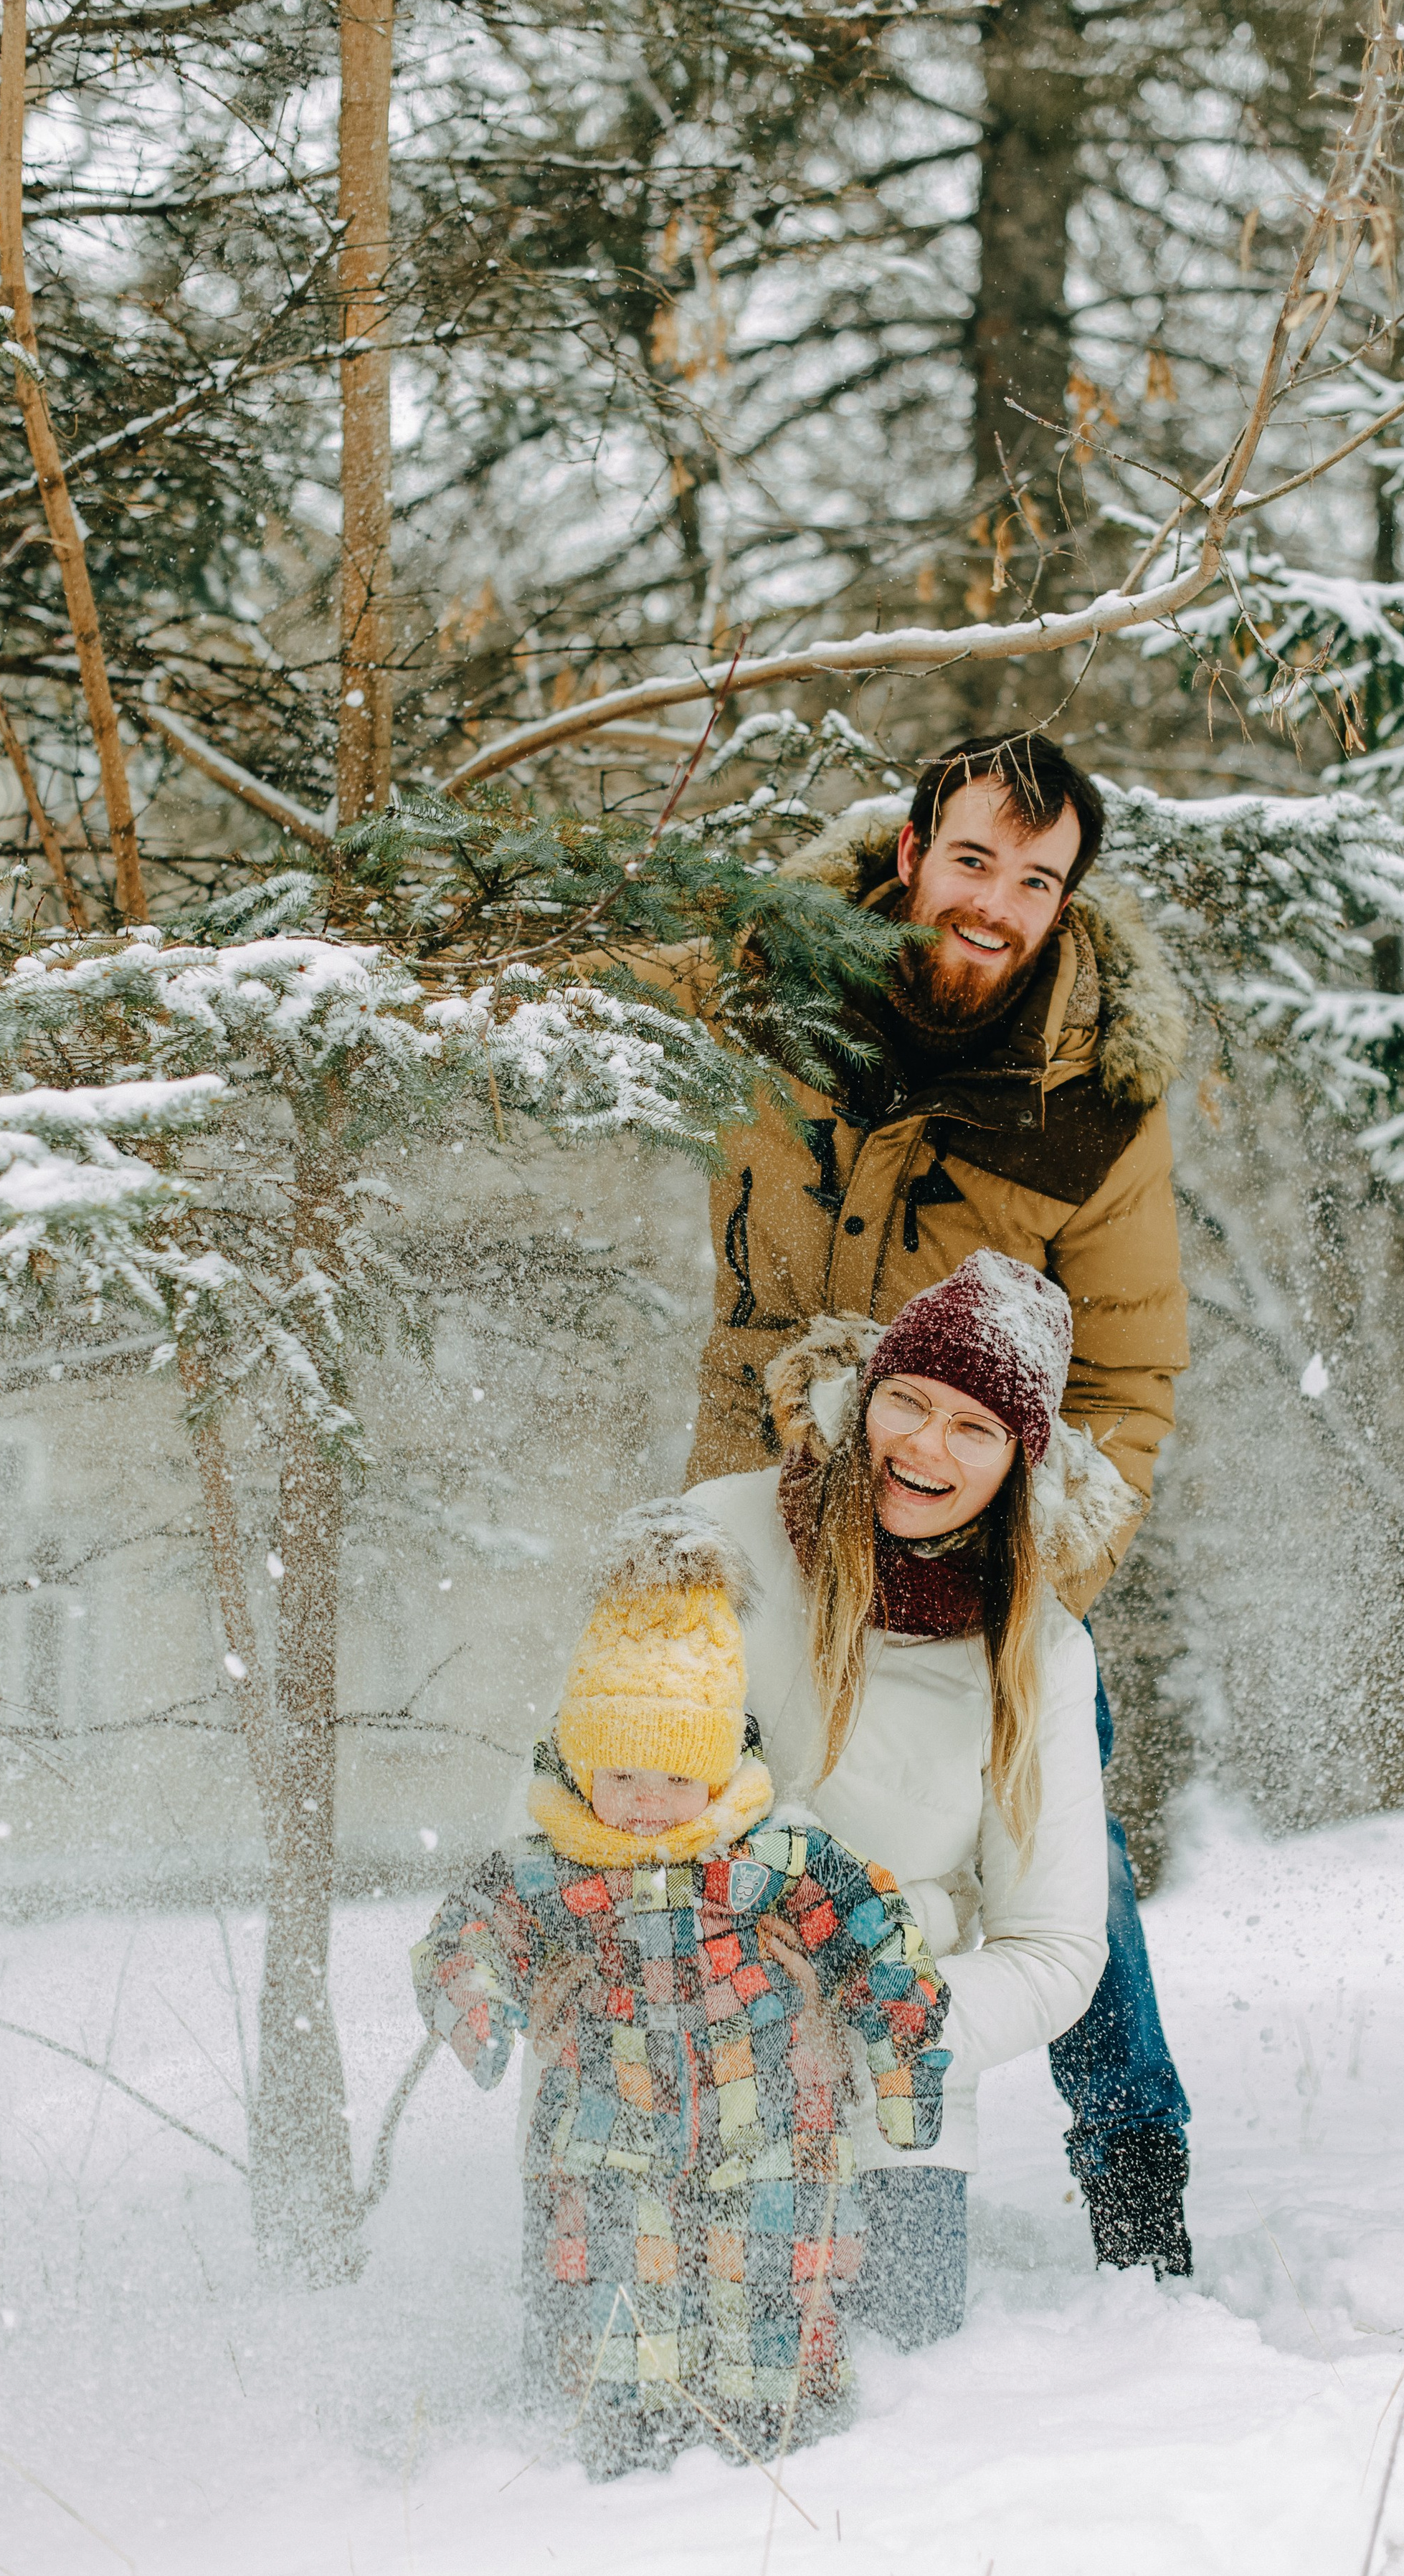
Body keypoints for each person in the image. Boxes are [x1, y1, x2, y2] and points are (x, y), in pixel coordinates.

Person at [686, 731, 1196, 2274]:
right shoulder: (769, 992)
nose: (996, 903)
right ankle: (724, 2191)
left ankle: (1138, 2187)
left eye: (1036, 881)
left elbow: (1129, 1379)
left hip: (982, 1561)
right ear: (910, 853)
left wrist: (1032, 1595)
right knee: (714, 1829)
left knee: (1063, 1864)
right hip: (770, 1534)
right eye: (972, 860)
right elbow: (586, 975)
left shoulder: (1093, 1107)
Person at [411, 1503, 949, 2478]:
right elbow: (465, 1935)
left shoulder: (774, 1857)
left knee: (770, 2286)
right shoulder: (548, 1867)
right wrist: (479, 2005)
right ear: (582, 1764)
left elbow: (881, 1941)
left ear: (718, 1767)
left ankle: (779, 2437)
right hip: (608, 2134)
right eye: (621, 1773)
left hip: (771, 2124)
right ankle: (633, 2446)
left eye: (675, 1774)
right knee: (622, 2292)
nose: (648, 1802)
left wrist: (901, 2066)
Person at [686, 1250, 1117, 2344]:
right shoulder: (719, 1540)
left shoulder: (1041, 1658)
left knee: (895, 2383)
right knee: (657, 2366)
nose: (926, 1446)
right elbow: (581, 1785)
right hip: (686, 2044)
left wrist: (883, 2016)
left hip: (893, 2089)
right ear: (863, 1395)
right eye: (909, 1402)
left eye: (975, 1428)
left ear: (1019, 1463)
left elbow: (1056, 1949)